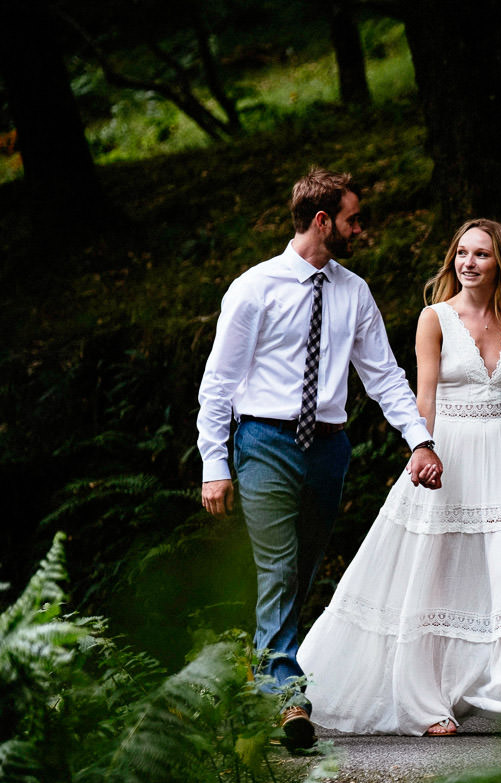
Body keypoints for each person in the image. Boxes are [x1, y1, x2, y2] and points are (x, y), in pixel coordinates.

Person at [197, 167, 444, 750]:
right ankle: (288, 690)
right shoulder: (254, 288)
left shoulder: (353, 292)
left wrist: (419, 438)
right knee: (279, 563)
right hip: (265, 442)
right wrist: (215, 463)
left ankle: (265, 671)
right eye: (354, 219)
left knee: (302, 565)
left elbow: (383, 377)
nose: (361, 230)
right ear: (321, 220)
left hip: (329, 447)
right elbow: (219, 382)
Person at [298, 218, 501, 737]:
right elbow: (423, 397)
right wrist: (421, 448)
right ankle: (426, 701)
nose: (468, 263)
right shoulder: (434, 318)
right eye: (461, 253)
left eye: (481, 254)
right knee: (433, 574)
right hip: (447, 452)